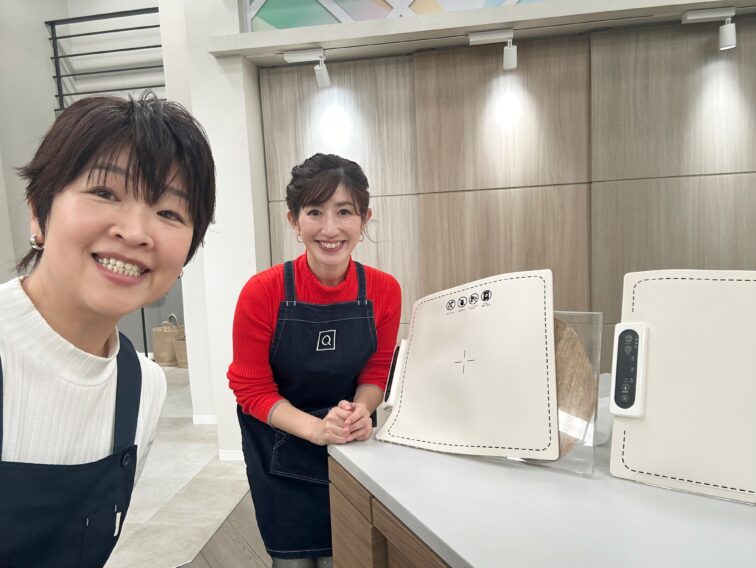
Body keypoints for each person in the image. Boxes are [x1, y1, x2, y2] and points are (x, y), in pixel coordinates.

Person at [0, 92, 216, 567]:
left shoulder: (142, 386)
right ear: (38, 210)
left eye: (169, 213)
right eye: (105, 193)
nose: (135, 232)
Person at [228, 153, 401, 567]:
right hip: (278, 450)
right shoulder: (262, 292)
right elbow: (251, 389)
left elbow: (377, 371)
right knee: (292, 561)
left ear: (364, 219)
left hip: (349, 447)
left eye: (344, 212)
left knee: (346, 556)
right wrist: (315, 428)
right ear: (294, 220)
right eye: (314, 212)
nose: (330, 228)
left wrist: (359, 412)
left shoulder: (384, 290)